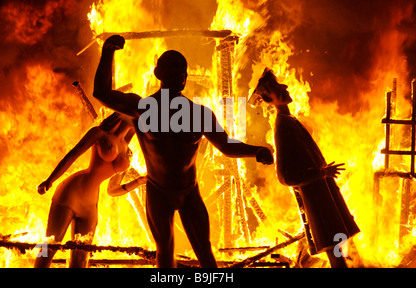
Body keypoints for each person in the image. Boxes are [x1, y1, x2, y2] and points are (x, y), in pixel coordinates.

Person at [92, 35, 274, 268]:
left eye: (183, 71)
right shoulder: (143, 108)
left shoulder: (198, 113)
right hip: (158, 192)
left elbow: (226, 145)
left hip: (189, 192)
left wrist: (256, 151)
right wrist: (108, 52)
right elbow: (102, 93)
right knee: (165, 253)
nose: (181, 76)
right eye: (174, 70)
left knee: (205, 253)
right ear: (159, 74)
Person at [250, 68, 360, 268]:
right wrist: (321, 173)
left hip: (324, 195)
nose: (283, 87)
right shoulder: (282, 126)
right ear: (269, 100)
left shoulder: (289, 121)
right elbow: (285, 176)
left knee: (346, 247)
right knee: (336, 250)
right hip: (316, 201)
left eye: (279, 84)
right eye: (275, 88)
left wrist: (323, 175)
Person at [34, 112, 147, 268]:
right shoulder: (99, 133)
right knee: (51, 244)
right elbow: (73, 154)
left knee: (80, 257)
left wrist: (139, 182)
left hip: (90, 204)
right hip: (71, 193)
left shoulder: (127, 152)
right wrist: (50, 180)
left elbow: (112, 190)